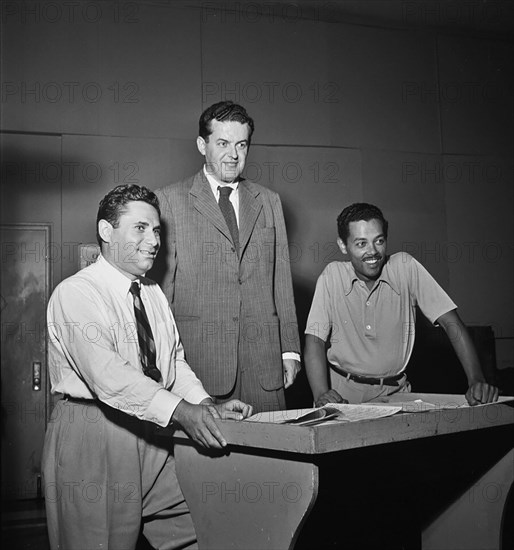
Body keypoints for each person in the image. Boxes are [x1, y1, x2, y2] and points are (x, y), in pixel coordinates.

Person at [42, 184, 253, 550]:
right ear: (107, 232)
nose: (154, 240)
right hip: (95, 433)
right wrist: (180, 411)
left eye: (157, 230)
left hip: (154, 430)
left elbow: (173, 361)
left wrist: (203, 405)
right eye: (140, 228)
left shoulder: (152, 292)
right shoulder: (76, 293)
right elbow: (109, 376)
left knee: (204, 529)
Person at [154, 101, 301, 413]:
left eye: (241, 144)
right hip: (200, 367)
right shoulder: (169, 201)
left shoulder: (269, 201)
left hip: (264, 366)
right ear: (201, 145)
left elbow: (281, 279)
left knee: (275, 457)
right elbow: (162, 292)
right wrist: (162, 361)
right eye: (222, 143)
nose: (233, 155)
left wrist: (290, 350)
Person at [304, 202, 499, 406]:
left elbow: (452, 323)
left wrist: (476, 379)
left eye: (378, 241)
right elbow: (314, 340)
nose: (373, 251)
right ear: (343, 245)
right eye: (361, 243)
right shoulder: (332, 276)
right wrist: (321, 394)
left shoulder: (405, 267)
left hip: (396, 393)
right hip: (343, 394)